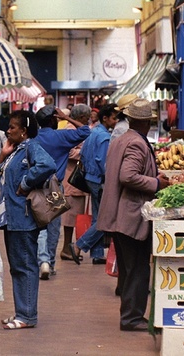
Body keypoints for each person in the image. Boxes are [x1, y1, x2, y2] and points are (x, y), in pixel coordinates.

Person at [96, 99, 169, 331]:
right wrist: (156, 182)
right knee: (138, 268)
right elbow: (127, 176)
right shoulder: (137, 143)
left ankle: (129, 314)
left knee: (129, 269)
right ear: (146, 122)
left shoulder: (121, 140)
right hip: (130, 214)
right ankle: (132, 318)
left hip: (119, 214)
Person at [0, 110, 56, 330]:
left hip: (23, 217)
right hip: (11, 217)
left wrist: (26, 183)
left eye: (12, 128)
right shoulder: (14, 151)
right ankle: (22, 311)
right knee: (17, 266)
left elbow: (47, 165)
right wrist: (2, 155)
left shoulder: (31, 147)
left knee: (26, 265)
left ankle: (27, 315)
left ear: (24, 131)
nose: (8, 131)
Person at [34, 105, 90, 279]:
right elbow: (85, 130)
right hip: (55, 188)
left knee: (39, 225)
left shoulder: (33, 138)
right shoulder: (61, 136)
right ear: (54, 119)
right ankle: (49, 262)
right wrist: (66, 118)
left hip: (36, 186)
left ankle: (42, 260)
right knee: (53, 227)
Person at [71, 103, 119, 265]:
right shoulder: (104, 137)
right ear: (105, 118)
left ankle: (97, 254)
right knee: (105, 219)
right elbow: (103, 163)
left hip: (90, 178)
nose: (116, 121)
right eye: (114, 118)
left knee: (98, 216)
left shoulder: (93, 132)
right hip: (99, 180)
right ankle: (79, 245)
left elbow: (83, 154)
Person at [59, 103, 92, 262]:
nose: (88, 121)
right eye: (87, 118)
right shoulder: (70, 130)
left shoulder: (74, 128)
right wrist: (84, 152)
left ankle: (68, 246)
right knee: (69, 216)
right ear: (80, 117)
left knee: (74, 214)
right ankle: (66, 248)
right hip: (71, 178)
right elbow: (70, 151)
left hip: (75, 178)